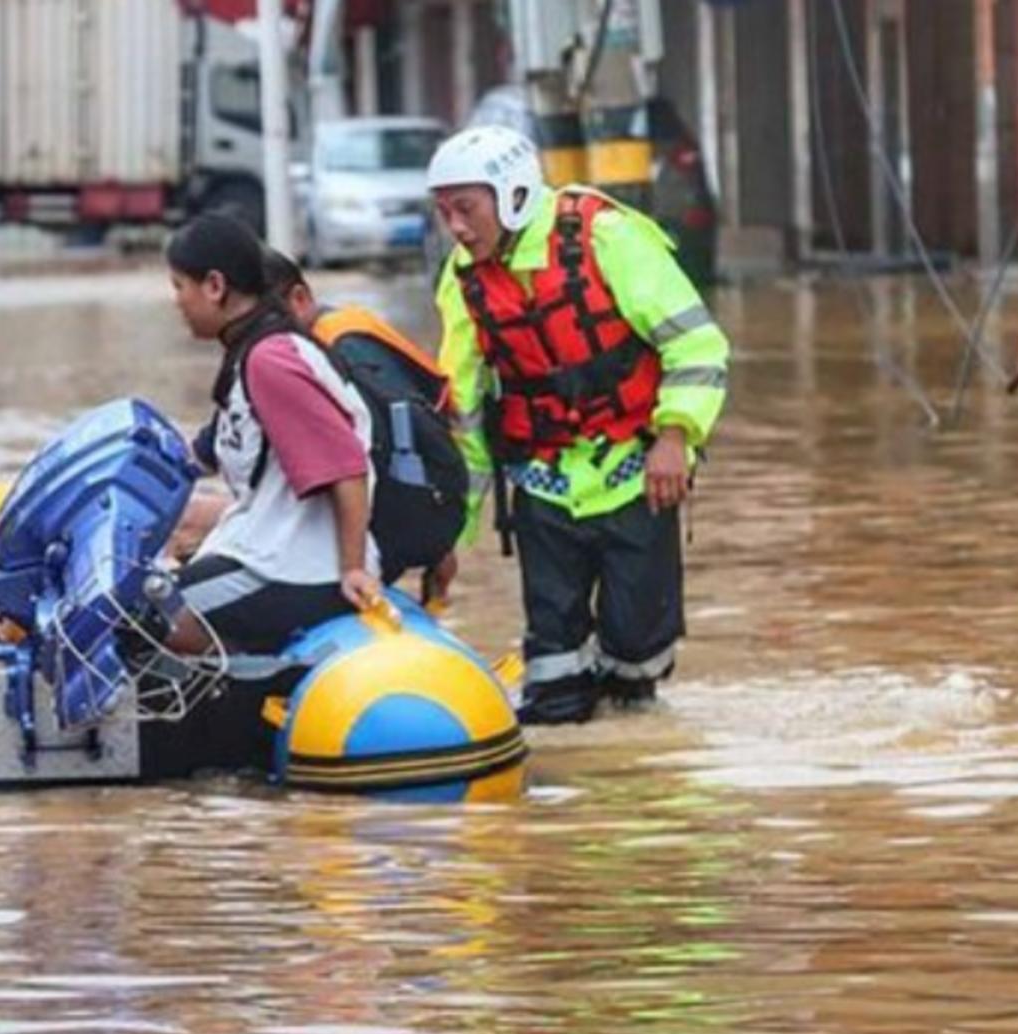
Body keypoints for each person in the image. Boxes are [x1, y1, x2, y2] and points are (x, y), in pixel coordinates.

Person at [428, 124, 729, 725]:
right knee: (554, 678)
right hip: (543, 489)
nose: (457, 228)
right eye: (444, 213)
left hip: (635, 475)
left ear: (511, 193)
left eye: (466, 209)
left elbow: (698, 346)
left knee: (636, 665)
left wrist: (676, 438)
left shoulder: (607, 238)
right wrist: (446, 540)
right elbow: (460, 421)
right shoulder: (465, 282)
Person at [162, 214, 380, 656]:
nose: (177, 302)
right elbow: (207, 451)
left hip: (300, 571)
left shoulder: (270, 360)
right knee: (152, 590)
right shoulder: (254, 351)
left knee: (139, 619)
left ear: (215, 286)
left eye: (179, 286)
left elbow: (347, 469)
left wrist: (353, 568)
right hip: (277, 555)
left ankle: (237, 697)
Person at [262, 247, 464, 601]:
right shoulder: (334, 334)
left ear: (300, 299)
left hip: (414, 502)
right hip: (431, 490)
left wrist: (436, 543)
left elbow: (407, 433)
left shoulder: (343, 350)